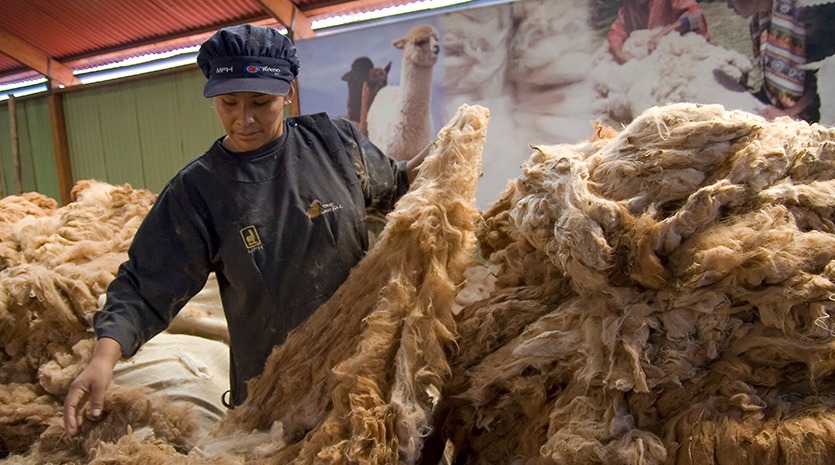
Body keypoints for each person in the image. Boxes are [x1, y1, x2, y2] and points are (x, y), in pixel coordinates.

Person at [63, 23, 430, 436]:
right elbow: (145, 287)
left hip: (366, 370)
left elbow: (396, 186)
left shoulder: (333, 142)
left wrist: (452, 148)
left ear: (288, 91)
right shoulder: (200, 190)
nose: (244, 119)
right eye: (229, 103)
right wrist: (102, 361)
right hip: (275, 397)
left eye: (260, 102)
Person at [727, 0, 835, 123]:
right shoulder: (762, 17)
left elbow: (826, 78)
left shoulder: (807, 13)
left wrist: (788, 114)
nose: (729, 5)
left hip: (812, 112)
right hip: (776, 101)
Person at [607, 0, 710, 65]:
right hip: (654, 58)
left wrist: (662, 34)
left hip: (683, 51)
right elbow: (616, 31)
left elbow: (696, 17)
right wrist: (619, 54)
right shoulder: (630, 5)